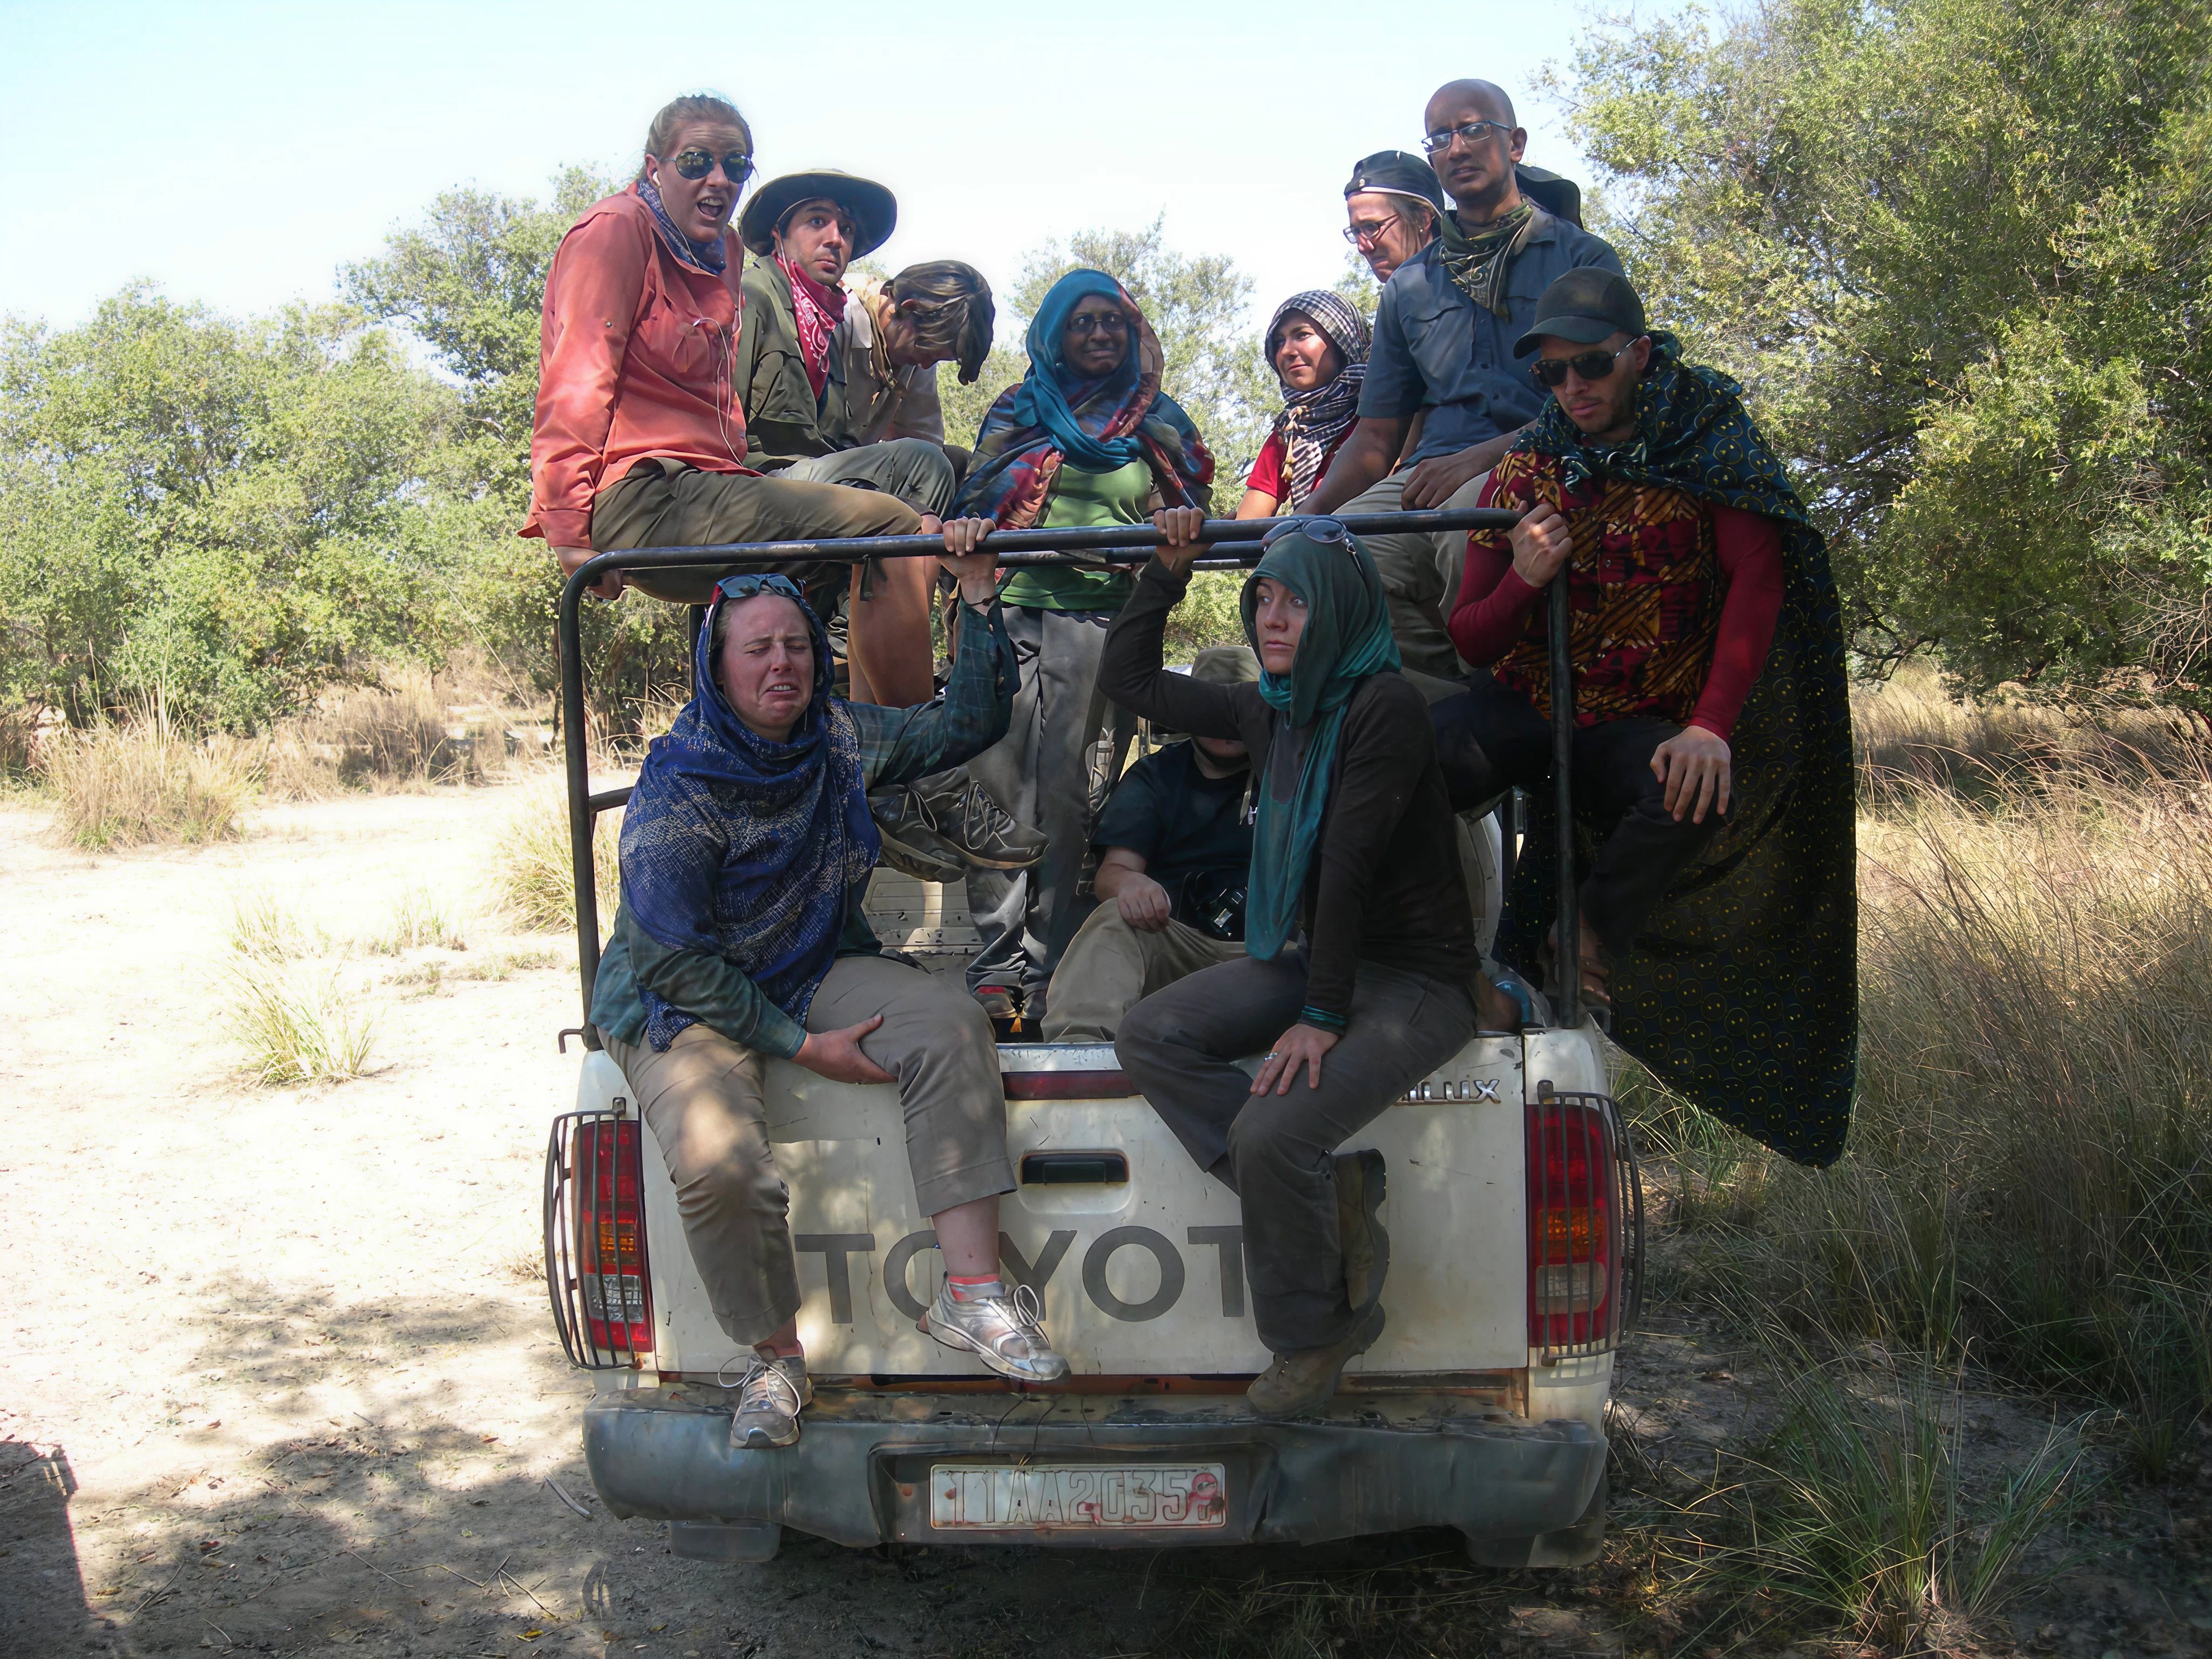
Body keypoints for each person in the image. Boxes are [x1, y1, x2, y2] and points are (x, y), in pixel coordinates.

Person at [590, 550, 1069, 1452]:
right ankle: (773, 1355)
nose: (782, 666)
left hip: (805, 961)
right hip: (681, 994)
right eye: (757, 649)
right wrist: (801, 1047)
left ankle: (971, 1294)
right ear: (717, 665)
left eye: (797, 647)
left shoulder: (838, 736)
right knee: (719, 1161)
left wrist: (974, 596)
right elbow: (667, 956)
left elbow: (965, 720)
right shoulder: (681, 785)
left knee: (948, 1019)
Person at [1438, 267, 1857, 1169]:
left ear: (1637, 354)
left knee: (1692, 781)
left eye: (1589, 365)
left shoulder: (1708, 442)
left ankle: (1582, 936)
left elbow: (1759, 579)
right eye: (1551, 375)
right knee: (1406, 766)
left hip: (1636, 716)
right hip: (1529, 699)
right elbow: (1471, 637)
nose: (1572, 389)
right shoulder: (1527, 467)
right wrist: (1526, 577)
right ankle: (1430, 966)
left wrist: (1710, 723)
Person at [1102, 521, 1482, 1418]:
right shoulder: (1264, 705)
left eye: (1296, 599)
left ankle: (1311, 1337)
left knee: (1274, 1134)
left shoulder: (1382, 704)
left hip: (1417, 979)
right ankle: (1330, 1201)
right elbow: (1131, 682)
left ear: (1340, 609)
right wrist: (1164, 573)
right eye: (1263, 596)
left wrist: (1320, 1013)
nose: (1272, 618)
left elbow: (1345, 861)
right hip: (1322, 957)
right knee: (1150, 1033)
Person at [525, 97, 937, 710]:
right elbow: (578, 379)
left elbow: (722, 410)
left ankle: (846, 744)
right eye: (695, 161)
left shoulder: (725, 253)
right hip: (644, 496)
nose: (717, 178)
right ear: (654, 166)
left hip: (714, 487)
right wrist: (568, 531)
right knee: (892, 527)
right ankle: (924, 761)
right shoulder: (617, 230)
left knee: (915, 493)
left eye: (735, 164)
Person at [937, 269, 1215, 1021]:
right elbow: (976, 505)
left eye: (1112, 323)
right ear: (1055, 333)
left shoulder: (1155, 418)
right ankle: (995, 972)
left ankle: (1049, 964)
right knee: (993, 793)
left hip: (1096, 623)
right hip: (1003, 612)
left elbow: (1191, 506)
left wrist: (1170, 530)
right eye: (1082, 323)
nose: (1098, 335)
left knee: (1064, 799)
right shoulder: (1018, 409)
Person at [1303, 80, 1623, 695]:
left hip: (1541, 467)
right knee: (1319, 562)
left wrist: (1480, 459)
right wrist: (1308, 515)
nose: (1457, 147)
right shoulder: (1409, 286)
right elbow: (1377, 435)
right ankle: (1446, 715)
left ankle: (1490, 725)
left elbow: (1600, 405)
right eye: (1440, 138)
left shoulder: (1581, 260)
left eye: (1474, 129)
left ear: (1516, 144)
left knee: (1469, 523)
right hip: (1425, 475)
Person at [730, 170, 947, 707]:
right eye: (817, 221)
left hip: (804, 484)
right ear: (780, 233)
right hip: (753, 485)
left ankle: (877, 662)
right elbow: (719, 417)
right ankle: (858, 663)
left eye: (846, 229)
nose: (835, 239)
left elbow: (834, 441)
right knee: (923, 468)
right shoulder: (754, 294)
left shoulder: (826, 319)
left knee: (942, 471)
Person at [1040, 646, 1260, 1042]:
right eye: (1212, 706)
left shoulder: (1297, 773)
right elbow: (1113, 875)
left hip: (1271, 957)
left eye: (1239, 706)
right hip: (1178, 947)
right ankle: (1083, 1054)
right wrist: (1131, 885)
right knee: (1113, 921)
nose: (1226, 722)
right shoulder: (1157, 775)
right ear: (1189, 710)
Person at [840, 260, 996, 459]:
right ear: (909, 309)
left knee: (957, 461)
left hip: (846, 466)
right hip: (805, 464)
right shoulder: (840, 311)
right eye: (929, 353)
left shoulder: (914, 349)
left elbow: (925, 441)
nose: (925, 365)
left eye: (937, 359)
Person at [1237, 293, 1370, 520]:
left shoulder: (1383, 411)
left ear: (1344, 341)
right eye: (1279, 342)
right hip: (1307, 547)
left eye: (1302, 335)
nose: (1286, 351)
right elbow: (1247, 525)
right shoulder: (1289, 434)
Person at [1342, 150, 1445, 286]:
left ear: (1421, 220)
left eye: (1371, 227)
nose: (1362, 248)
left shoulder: (1472, 288)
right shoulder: (1397, 303)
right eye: (1356, 232)